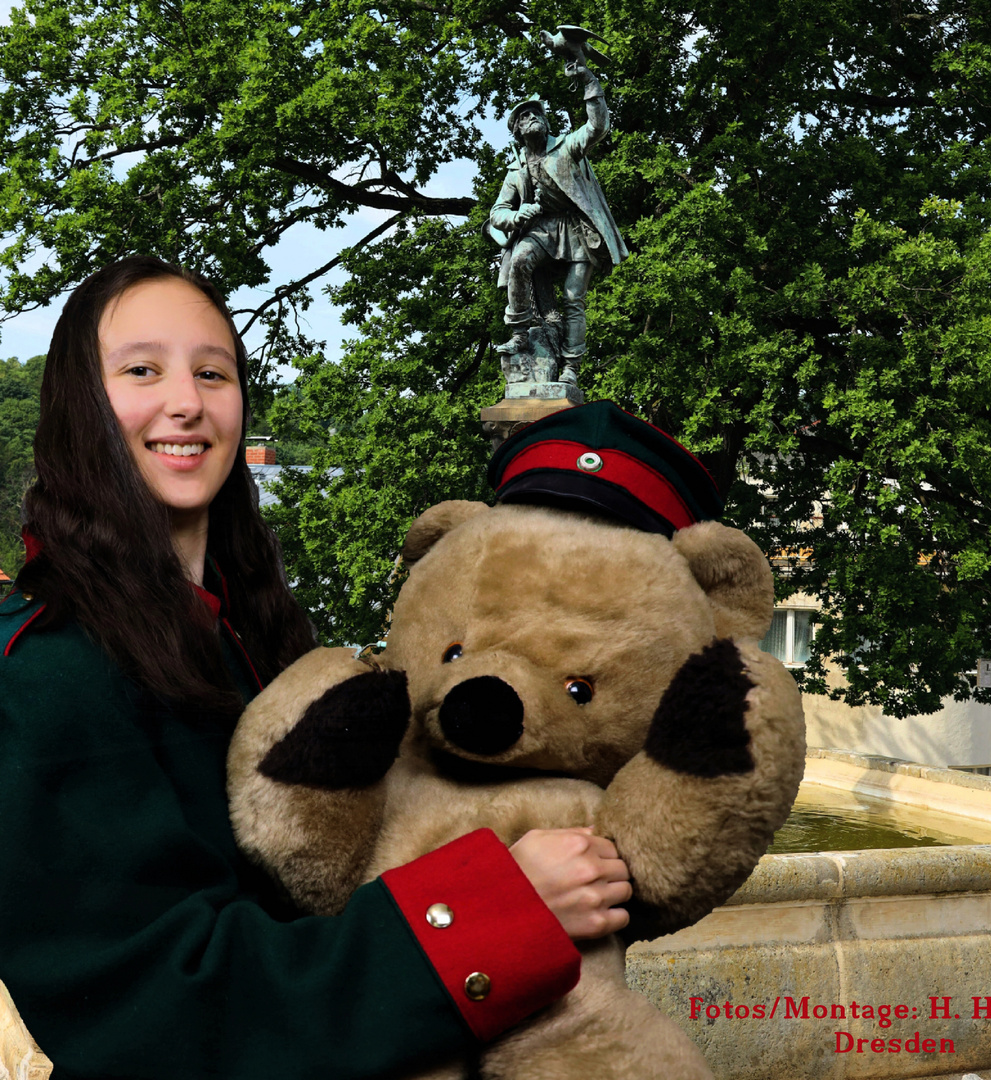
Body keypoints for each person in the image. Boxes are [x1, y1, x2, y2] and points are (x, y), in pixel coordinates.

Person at [0, 256, 632, 1079]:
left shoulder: (253, 637)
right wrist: (499, 911)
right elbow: (163, 1009)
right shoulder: (41, 676)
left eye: (213, 372)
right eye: (141, 370)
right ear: (80, 407)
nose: (186, 402)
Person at [488, 62, 629, 385]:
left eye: (535, 113)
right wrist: (515, 215)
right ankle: (520, 333)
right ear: (518, 132)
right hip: (541, 229)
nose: (531, 118)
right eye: (523, 117)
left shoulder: (566, 146)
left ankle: (570, 367)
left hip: (577, 230)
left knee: (572, 298)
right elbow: (497, 213)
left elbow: (597, 126)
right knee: (520, 260)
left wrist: (588, 80)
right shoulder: (516, 170)